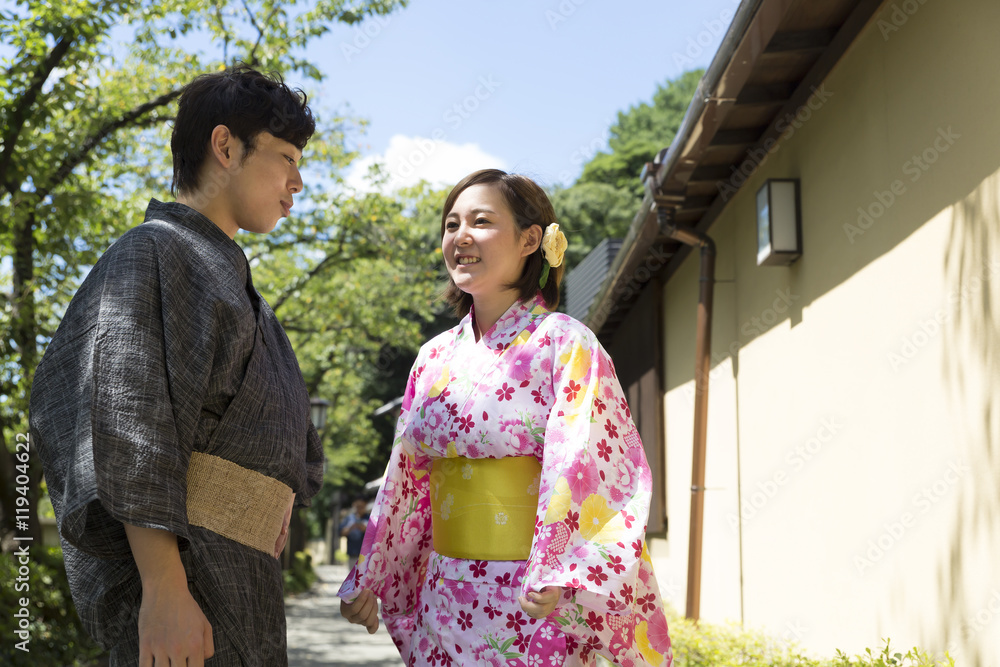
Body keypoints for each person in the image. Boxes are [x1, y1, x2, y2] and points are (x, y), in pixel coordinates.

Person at [29, 65, 325, 667]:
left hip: (242, 580)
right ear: (225, 145)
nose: (298, 181)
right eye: (288, 157)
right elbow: (131, 421)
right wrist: (164, 589)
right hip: (186, 581)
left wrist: (275, 489)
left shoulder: (237, 286)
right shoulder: (153, 252)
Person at [338, 169, 673, 666]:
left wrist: (557, 566)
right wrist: (372, 572)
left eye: (480, 221)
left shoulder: (564, 342)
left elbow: (583, 464)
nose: (460, 237)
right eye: (451, 225)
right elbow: (405, 479)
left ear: (530, 240)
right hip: (444, 597)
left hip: (529, 597)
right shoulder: (433, 358)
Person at [340, 498, 370, 569]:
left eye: (361, 507)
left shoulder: (370, 518)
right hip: (352, 554)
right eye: (357, 507)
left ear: (365, 506)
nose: (359, 509)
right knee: (353, 578)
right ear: (354, 506)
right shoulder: (349, 518)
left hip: (367, 555)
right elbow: (341, 532)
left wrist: (365, 529)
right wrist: (350, 528)